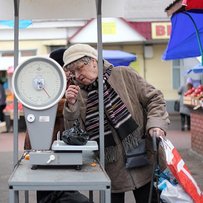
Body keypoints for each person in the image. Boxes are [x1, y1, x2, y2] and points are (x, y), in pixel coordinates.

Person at [62, 44, 170, 203]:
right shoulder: (77, 94)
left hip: (143, 156)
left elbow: (155, 99)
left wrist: (156, 124)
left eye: (80, 68)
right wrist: (71, 106)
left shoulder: (125, 75)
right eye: (73, 72)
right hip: (109, 167)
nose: (77, 76)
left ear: (93, 61)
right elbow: (76, 136)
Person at [24, 48, 90, 203]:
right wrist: (68, 102)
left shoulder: (73, 82)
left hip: (65, 144)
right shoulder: (45, 82)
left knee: (67, 183)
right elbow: (43, 105)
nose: (69, 72)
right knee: (45, 187)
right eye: (66, 67)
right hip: (41, 143)